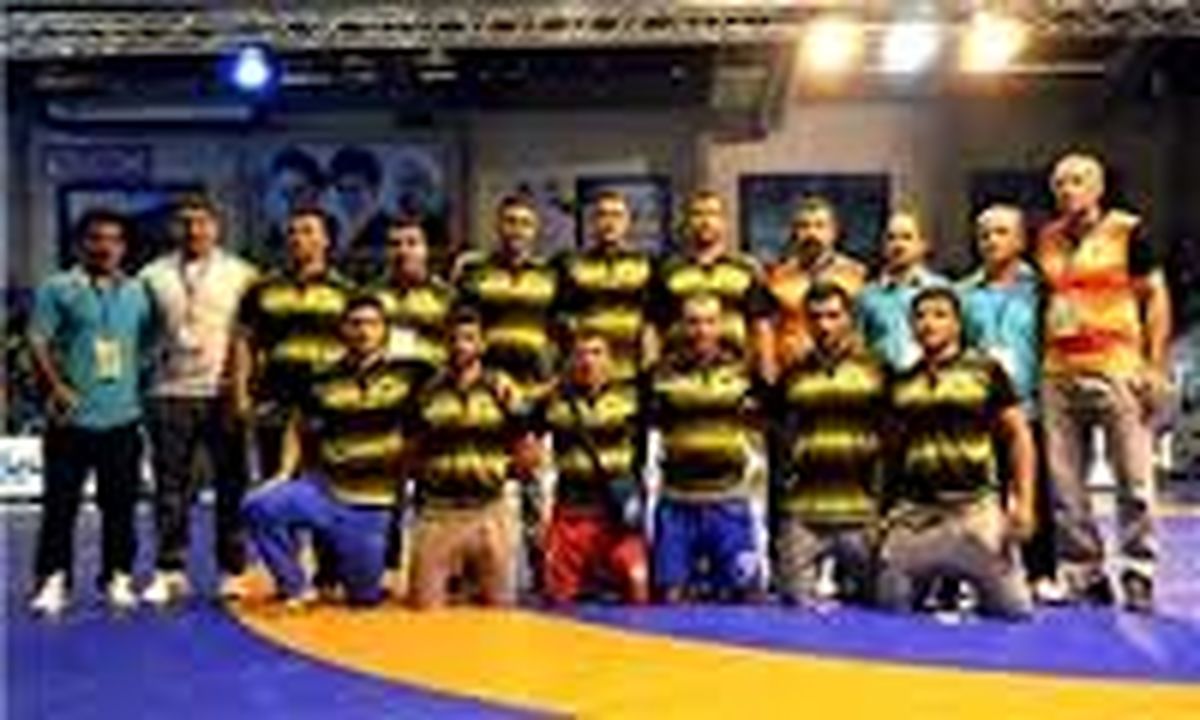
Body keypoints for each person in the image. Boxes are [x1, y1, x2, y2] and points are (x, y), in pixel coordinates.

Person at [1035, 152, 1172, 612]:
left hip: (1118, 367)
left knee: (1133, 478)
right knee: (1065, 485)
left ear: (1098, 188)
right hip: (1058, 372)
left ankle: (1138, 571)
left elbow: (1155, 297)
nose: (1067, 189)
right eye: (1059, 183)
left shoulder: (1127, 231)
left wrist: (1154, 366)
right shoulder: (1047, 238)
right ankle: (1084, 574)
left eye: (1077, 181)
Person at [242, 295, 417, 608]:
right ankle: (295, 587)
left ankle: (359, 578)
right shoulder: (322, 377)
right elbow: (297, 424)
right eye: (355, 323)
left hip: (372, 505)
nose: (363, 331)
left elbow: (451, 385)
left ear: (385, 331)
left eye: (372, 324)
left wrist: (497, 382)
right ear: (343, 330)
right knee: (259, 505)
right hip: (325, 494)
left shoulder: (411, 374)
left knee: (362, 599)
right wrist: (284, 472)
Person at [876, 287, 1036, 621]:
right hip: (917, 515)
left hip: (974, 511)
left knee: (1014, 611)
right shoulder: (902, 383)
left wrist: (1023, 503)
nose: (928, 323)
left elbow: (1019, 435)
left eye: (940, 315)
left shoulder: (986, 371)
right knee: (890, 605)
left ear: (957, 325)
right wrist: (884, 514)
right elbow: (890, 455)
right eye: (920, 316)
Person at [27, 209, 154, 617]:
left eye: (114, 240)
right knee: (60, 506)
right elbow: (38, 340)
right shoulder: (57, 288)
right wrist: (57, 387)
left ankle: (118, 576)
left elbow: (148, 343)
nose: (105, 247)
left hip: (123, 419)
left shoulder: (138, 292)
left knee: (120, 506)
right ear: (81, 244)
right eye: (96, 238)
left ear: (124, 247)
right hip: (71, 419)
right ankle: (53, 580)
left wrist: (136, 385)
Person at [139, 194, 259, 605]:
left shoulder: (242, 273)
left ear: (217, 227)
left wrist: (241, 389)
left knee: (232, 486)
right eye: (185, 222)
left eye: (202, 222)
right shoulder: (151, 275)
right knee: (170, 488)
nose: (194, 230)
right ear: (174, 228)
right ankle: (170, 570)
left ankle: (232, 570)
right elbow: (138, 333)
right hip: (168, 392)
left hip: (222, 394)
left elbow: (249, 336)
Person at [959, 205, 1061, 602]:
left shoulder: (1042, 289)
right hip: (978, 409)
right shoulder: (963, 293)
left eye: (1001, 232)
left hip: (1029, 404)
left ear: (1020, 240)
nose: (991, 241)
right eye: (984, 234)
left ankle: (1041, 571)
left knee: (1037, 490)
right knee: (982, 493)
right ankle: (981, 573)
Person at [406, 308, 535, 609]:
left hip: (489, 510)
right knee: (423, 610)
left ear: (482, 344)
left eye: (468, 338)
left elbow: (527, 446)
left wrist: (501, 475)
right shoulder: (426, 390)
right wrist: (425, 479)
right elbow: (411, 449)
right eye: (453, 339)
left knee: (500, 609)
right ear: (444, 344)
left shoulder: (503, 388)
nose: (460, 346)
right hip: (438, 513)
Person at [771, 283, 886, 606]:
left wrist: (884, 505)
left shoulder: (878, 371)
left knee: (879, 606)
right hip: (803, 514)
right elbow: (778, 441)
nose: (824, 326)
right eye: (816, 317)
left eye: (833, 316)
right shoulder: (792, 375)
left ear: (850, 319)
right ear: (806, 322)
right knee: (792, 606)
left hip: (861, 513)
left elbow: (893, 440)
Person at [647, 294, 765, 603]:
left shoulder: (744, 373)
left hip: (729, 500)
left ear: (722, 325)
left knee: (744, 597)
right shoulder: (660, 374)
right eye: (693, 322)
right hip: (677, 503)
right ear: (681, 327)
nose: (702, 330)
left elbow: (761, 425)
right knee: (669, 597)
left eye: (710, 322)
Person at [529, 331, 650, 604]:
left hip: (617, 517)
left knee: (638, 587)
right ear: (570, 362)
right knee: (558, 599)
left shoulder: (633, 399)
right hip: (570, 516)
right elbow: (524, 431)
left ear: (611, 361)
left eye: (597, 353)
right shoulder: (552, 401)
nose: (588, 361)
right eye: (581, 354)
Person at [370, 215, 456, 592]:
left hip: (433, 408)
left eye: (411, 243)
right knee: (383, 493)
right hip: (383, 409)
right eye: (395, 244)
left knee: (434, 493)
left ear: (426, 250)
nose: (403, 251)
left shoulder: (447, 297)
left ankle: (438, 570)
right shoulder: (371, 297)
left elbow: (460, 348)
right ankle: (385, 570)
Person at [652, 191, 775, 380]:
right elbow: (654, 327)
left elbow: (761, 325)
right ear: (687, 222)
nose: (705, 221)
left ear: (724, 222)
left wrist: (766, 371)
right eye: (697, 214)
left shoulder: (746, 269)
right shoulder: (668, 271)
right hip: (680, 376)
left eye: (712, 214)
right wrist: (653, 369)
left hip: (736, 374)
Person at [554, 190, 655, 382]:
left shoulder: (647, 264)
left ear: (628, 222)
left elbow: (651, 323)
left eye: (617, 215)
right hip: (585, 372)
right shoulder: (571, 265)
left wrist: (649, 367)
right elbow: (561, 323)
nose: (609, 223)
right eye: (602, 215)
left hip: (631, 372)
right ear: (592, 222)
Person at [765, 197, 868, 372]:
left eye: (820, 226)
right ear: (794, 232)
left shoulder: (857, 275)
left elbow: (864, 329)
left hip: (845, 374)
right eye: (804, 226)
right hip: (791, 373)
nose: (811, 233)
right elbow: (766, 332)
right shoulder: (775, 278)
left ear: (833, 232)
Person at [857, 210, 949, 373]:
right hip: (881, 380)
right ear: (882, 246)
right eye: (891, 238)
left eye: (907, 237)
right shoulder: (867, 296)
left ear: (922, 244)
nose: (898, 245)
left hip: (932, 379)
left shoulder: (943, 288)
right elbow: (860, 346)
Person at [329, 146, 392, 284]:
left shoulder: (391, 229)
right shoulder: (328, 228)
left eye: (354, 190)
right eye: (341, 189)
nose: (347, 198)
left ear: (374, 189)